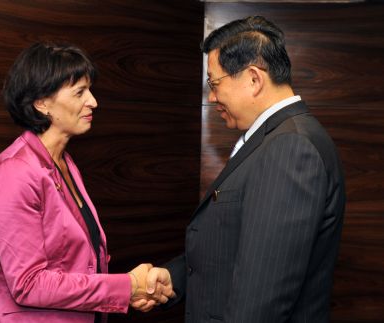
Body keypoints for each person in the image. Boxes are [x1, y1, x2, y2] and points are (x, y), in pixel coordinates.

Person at [133, 16, 346, 322]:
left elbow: (261, 299)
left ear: (254, 79)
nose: (212, 97)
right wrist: (175, 278)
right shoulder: (273, 138)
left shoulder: (289, 149)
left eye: (214, 83)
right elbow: (238, 245)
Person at [0, 42, 172, 323]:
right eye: (80, 92)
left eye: (89, 90)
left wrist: (127, 292)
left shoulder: (64, 161)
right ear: (42, 103)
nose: (93, 101)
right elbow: (29, 284)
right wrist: (127, 286)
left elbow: (81, 260)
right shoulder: (14, 173)